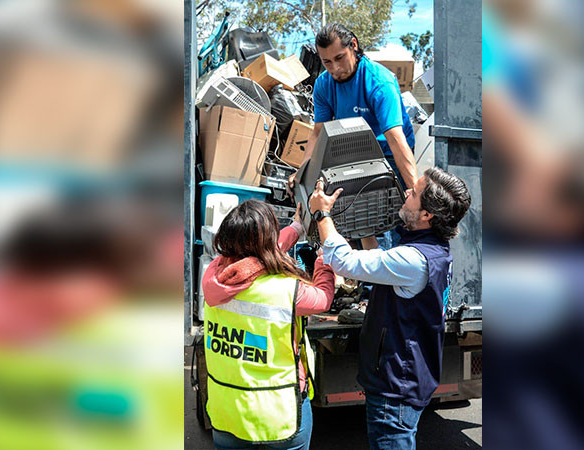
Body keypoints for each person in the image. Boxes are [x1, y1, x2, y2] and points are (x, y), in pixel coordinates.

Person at [308, 167, 472, 450]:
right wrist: (368, 233)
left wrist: (322, 214)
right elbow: (382, 264)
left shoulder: (413, 259)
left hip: (396, 385)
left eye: (414, 193)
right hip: (405, 377)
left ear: (427, 215)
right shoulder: (434, 250)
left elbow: (343, 261)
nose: (406, 192)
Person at [201, 200, 335, 450]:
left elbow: (256, 258)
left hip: (227, 412)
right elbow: (324, 297)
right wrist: (324, 260)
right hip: (279, 414)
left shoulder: (214, 276)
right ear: (266, 243)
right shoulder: (287, 291)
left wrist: (296, 227)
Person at [290, 23, 418, 193]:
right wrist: (301, 173)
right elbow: (318, 133)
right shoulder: (323, 85)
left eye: (339, 58)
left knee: (395, 208)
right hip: (353, 151)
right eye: (326, 62)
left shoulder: (379, 83)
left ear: (353, 45)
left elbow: (395, 139)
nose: (335, 68)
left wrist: (416, 194)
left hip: (389, 152)